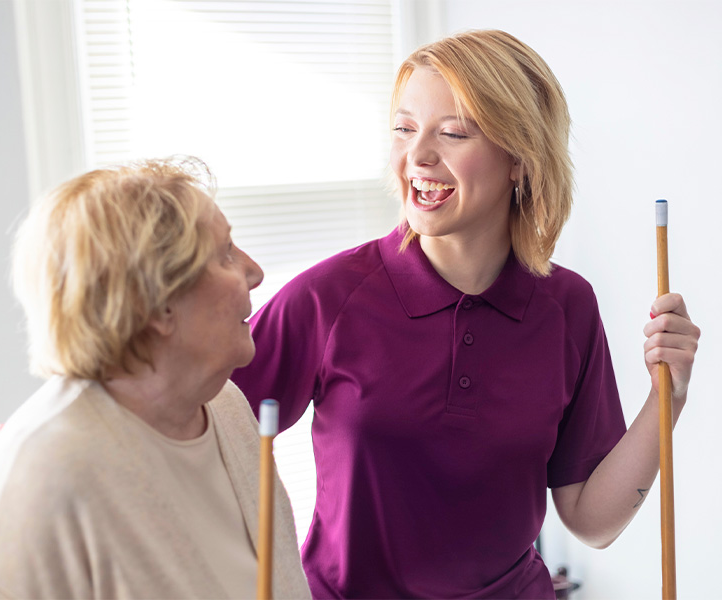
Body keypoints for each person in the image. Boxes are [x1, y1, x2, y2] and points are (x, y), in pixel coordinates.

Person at [231, 29, 701, 599]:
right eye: (404, 129)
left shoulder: (567, 307)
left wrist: (666, 399)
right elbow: (199, 437)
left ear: (521, 161)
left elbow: (591, 520)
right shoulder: (325, 298)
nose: (418, 157)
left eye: (452, 133)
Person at [0, 158, 311, 599]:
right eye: (224, 253)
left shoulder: (224, 405)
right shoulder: (41, 472)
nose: (253, 271)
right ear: (157, 303)